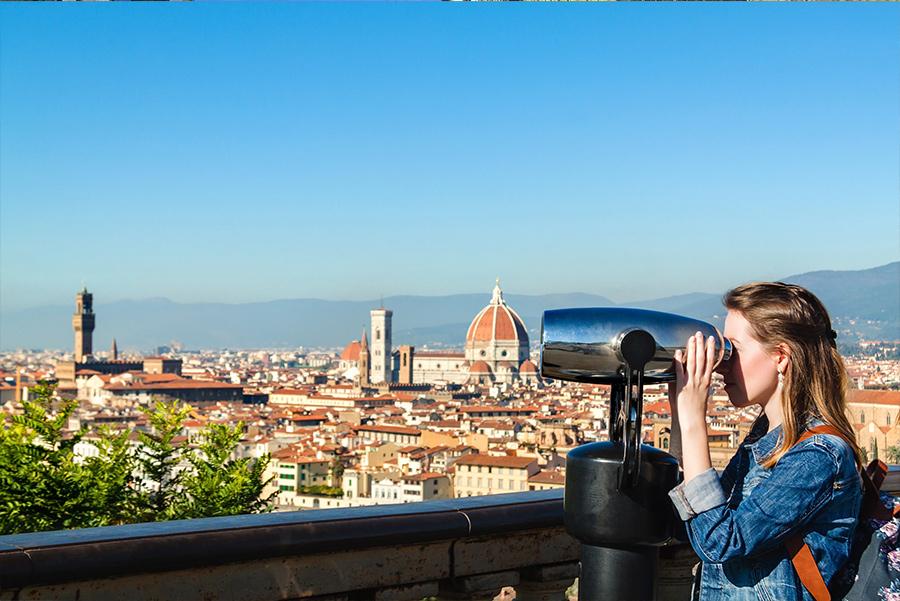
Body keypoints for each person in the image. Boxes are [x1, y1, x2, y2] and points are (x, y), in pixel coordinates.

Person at [667, 282, 864, 600]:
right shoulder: (765, 440)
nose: (721, 365)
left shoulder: (818, 456)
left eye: (733, 349)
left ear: (781, 356)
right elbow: (698, 523)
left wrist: (693, 422)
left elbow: (721, 542)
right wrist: (680, 415)